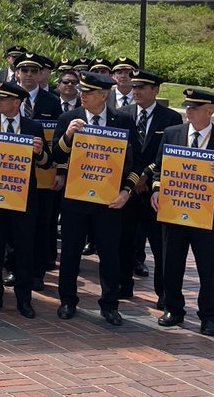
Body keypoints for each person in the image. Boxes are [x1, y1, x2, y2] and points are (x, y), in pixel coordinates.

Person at [152, 88, 214, 336]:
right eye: (187, 107)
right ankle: (173, 309)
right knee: (171, 262)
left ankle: (209, 316)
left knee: (207, 266)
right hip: (173, 211)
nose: (188, 111)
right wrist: (156, 190)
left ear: (209, 110)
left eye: (194, 107)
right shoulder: (173, 134)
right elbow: (158, 169)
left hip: (206, 215)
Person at [52, 71, 137, 326]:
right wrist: (68, 135)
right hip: (75, 200)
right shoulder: (70, 117)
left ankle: (110, 305)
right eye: (82, 91)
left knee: (110, 254)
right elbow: (56, 155)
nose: (82, 96)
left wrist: (127, 191)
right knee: (70, 252)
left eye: (88, 92)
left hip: (108, 201)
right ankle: (67, 300)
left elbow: (135, 162)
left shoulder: (122, 121)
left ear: (103, 95)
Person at [0, 82, 51, 319]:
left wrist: (39, 152)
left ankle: (24, 299)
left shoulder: (32, 127)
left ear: (16, 103)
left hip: (23, 200)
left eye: (3, 99)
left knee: (24, 250)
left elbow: (47, 163)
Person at [119, 69, 183, 303]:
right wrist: (132, 179)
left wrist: (145, 174)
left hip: (155, 191)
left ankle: (163, 293)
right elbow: (120, 152)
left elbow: (168, 153)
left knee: (160, 245)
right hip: (127, 189)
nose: (136, 91)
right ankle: (123, 285)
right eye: (134, 87)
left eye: (142, 87)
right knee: (123, 241)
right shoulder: (122, 114)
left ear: (155, 90)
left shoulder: (171, 118)